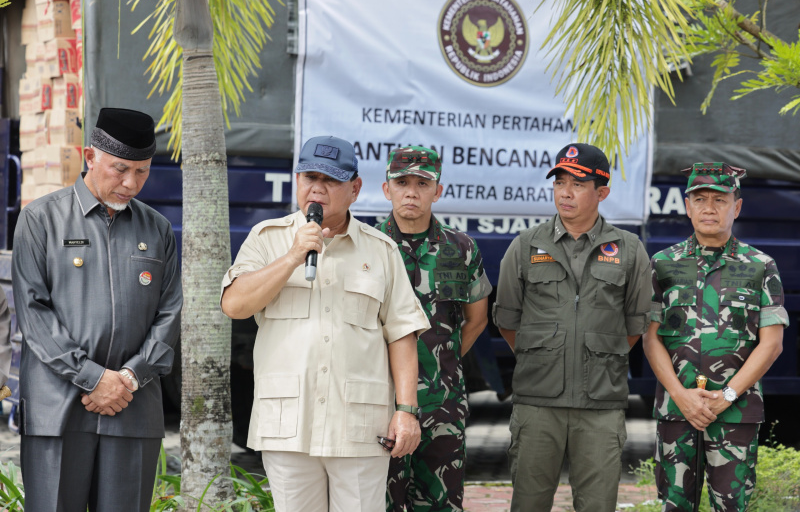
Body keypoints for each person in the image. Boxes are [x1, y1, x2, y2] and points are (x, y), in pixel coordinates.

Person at [220, 135, 430, 512]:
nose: (317, 188)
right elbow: (234, 304)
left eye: (330, 179)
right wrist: (292, 257)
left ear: (355, 188)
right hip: (288, 427)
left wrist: (407, 410)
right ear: (296, 181)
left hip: (360, 428)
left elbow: (401, 333)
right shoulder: (268, 239)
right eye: (308, 176)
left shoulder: (381, 250)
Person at [12, 107, 182, 511]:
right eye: (120, 169)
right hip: (60, 410)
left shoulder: (156, 229)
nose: (131, 183)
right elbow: (35, 314)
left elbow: (170, 312)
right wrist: (92, 378)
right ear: (90, 157)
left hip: (132, 407)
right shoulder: (41, 219)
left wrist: (129, 377)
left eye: (142, 171)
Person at [493, 143, 651, 512]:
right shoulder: (526, 245)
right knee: (528, 504)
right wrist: (546, 355)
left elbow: (634, 323)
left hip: (600, 405)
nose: (565, 192)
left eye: (578, 184)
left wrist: (595, 355)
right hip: (537, 403)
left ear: (602, 192)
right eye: (559, 182)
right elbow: (508, 320)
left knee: (597, 506)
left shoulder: (628, 249)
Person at [643, 163, 788, 511]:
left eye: (720, 200)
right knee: (675, 506)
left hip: (734, 414)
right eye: (700, 199)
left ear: (736, 207)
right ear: (688, 206)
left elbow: (772, 343)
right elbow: (650, 338)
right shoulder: (662, 264)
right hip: (678, 411)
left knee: (731, 506)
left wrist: (726, 395)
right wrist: (681, 396)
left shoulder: (760, 265)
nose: (709, 207)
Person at [377, 146, 492, 512]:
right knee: (379, 503)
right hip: (381, 402)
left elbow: (476, 320)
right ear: (386, 189)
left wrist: (442, 363)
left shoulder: (461, 249)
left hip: (442, 406)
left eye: (422, 183)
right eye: (403, 182)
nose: (411, 192)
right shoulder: (367, 245)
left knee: (440, 505)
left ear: (437, 191)